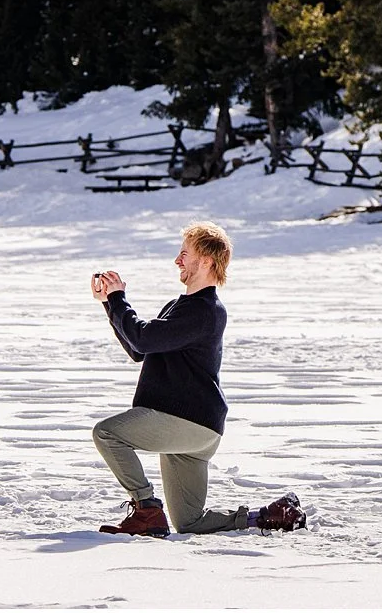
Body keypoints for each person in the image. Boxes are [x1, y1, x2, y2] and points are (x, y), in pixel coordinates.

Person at [90, 222, 306, 536]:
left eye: (184, 254)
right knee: (190, 523)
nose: (178, 261)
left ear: (205, 261)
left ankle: (146, 509)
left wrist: (119, 298)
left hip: (184, 420)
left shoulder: (205, 310)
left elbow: (143, 339)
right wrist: (110, 303)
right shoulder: (183, 307)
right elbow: (140, 349)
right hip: (196, 427)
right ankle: (273, 515)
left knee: (107, 434)